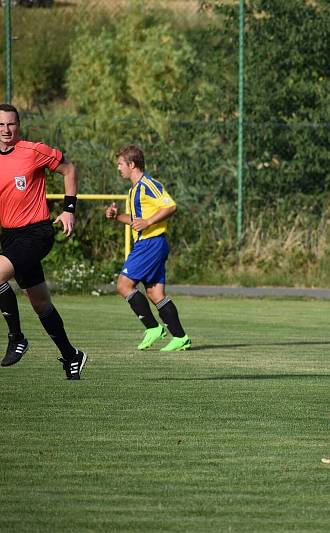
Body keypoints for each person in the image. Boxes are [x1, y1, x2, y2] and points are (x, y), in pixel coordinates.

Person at [0, 103, 87, 379]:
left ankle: (17, 338)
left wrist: (69, 209)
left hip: (37, 232)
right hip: (11, 237)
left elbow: (69, 170)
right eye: (0, 124)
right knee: (41, 304)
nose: (5, 129)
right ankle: (72, 356)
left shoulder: (32, 150)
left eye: (10, 124)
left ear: (19, 125)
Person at [104, 145, 191, 352]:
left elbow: (170, 206)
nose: (118, 168)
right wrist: (116, 216)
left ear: (132, 165)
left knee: (123, 286)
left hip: (150, 244)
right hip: (151, 243)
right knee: (155, 294)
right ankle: (180, 337)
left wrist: (149, 221)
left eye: (120, 164)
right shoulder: (134, 190)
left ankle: (153, 328)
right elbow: (136, 221)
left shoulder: (148, 185)